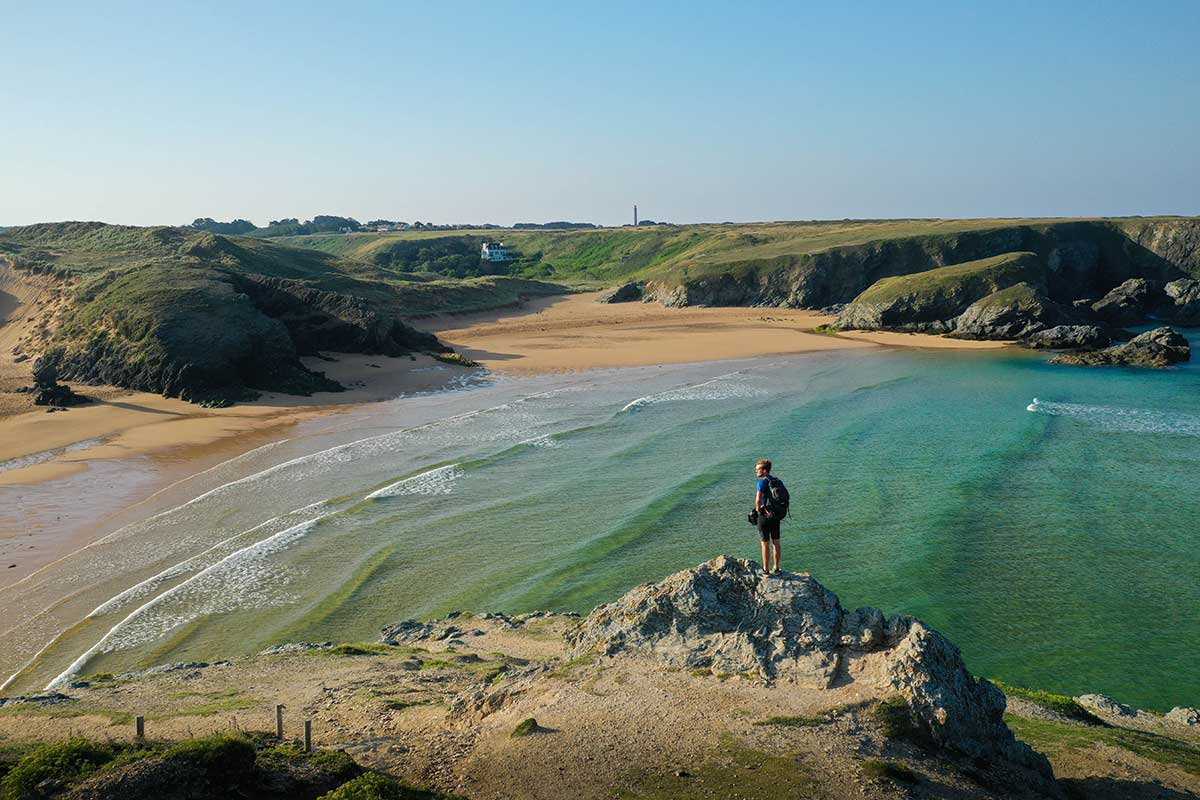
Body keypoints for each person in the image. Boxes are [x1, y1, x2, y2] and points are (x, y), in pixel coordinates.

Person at [754, 458, 782, 574]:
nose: (756, 471)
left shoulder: (762, 482)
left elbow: (758, 500)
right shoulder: (777, 481)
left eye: (758, 469)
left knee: (765, 544)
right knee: (776, 542)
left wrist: (757, 510)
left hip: (764, 517)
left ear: (764, 470)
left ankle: (765, 570)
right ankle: (776, 568)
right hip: (775, 516)